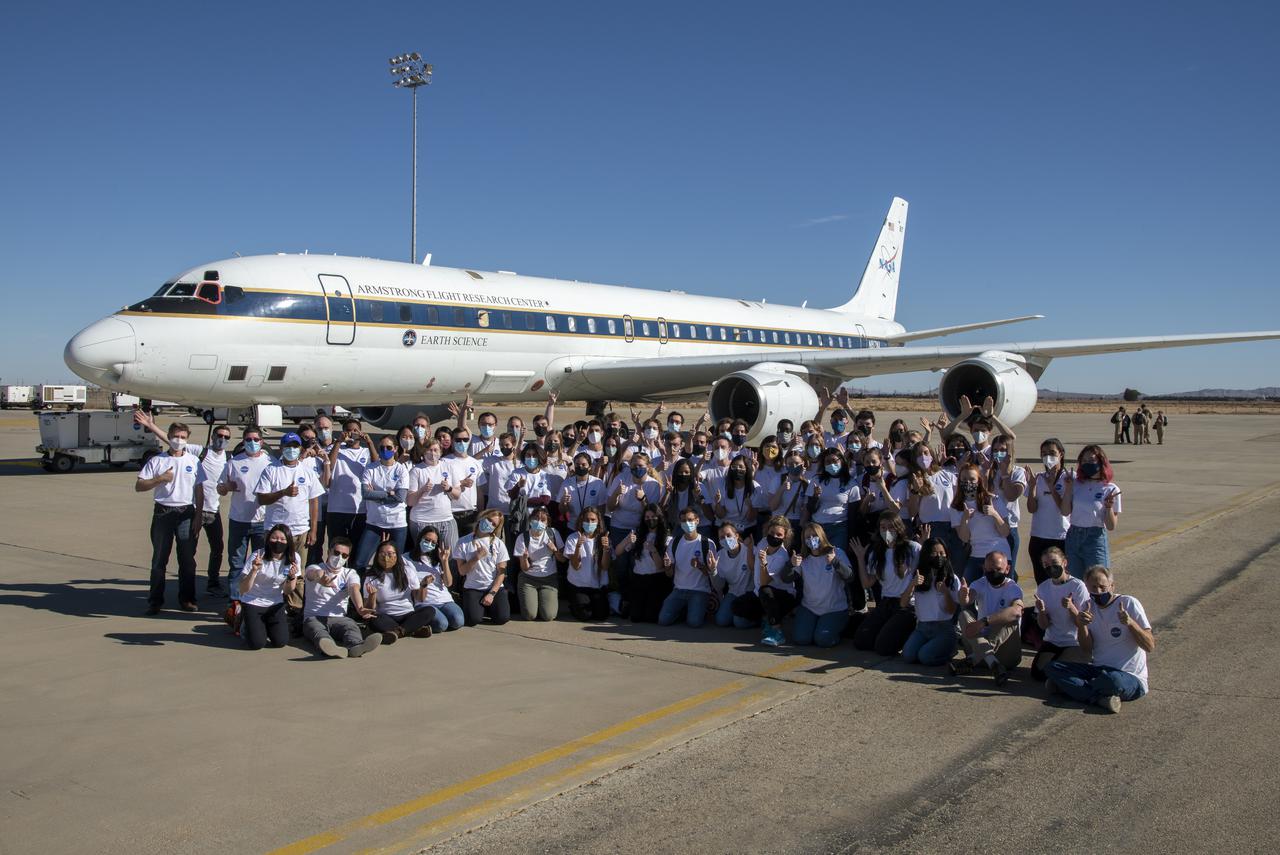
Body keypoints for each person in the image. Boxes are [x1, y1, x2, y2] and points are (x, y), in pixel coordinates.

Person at [1045, 565, 1155, 713]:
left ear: (1112, 586)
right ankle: (1100, 698)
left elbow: (1149, 645)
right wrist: (1082, 625)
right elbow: (1086, 650)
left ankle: (1073, 688)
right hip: (1099, 670)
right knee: (1052, 667)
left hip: (1128, 676)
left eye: (1103, 587)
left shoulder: (1129, 603)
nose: (1098, 592)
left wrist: (1131, 623)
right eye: (1093, 588)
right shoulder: (1088, 607)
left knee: (1113, 680)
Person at [135, 420, 201, 614]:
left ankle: (187, 599)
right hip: (164, 512)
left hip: (186, 513)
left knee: (187, 560)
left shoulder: (193, 461)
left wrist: (198, 516)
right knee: (159, 560)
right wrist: (160, 479)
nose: (178, 441)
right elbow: (139, 486)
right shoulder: (157, 461)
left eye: (182, 437)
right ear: (169, 437)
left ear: (187, 440)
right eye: (175, 437)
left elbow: (199, 489)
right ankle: (155, 601)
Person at [300, 537, 382, 658]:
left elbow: (354, 589)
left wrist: (360, 608)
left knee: (351, 627)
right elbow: (313, 574)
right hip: (314, 617)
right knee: (318, 631)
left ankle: (356, 646)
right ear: (329, 552)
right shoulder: (315, 567)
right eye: (336, 553)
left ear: (348, 557)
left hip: (339, 618)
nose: (339, 557)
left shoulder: (350, 573)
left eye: (344, 555)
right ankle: (330, 648)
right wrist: (321, 578)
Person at [951, 551, 1024, 685]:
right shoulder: (980, 583)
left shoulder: (1013, 588)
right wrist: (963, 596)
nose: (994, 572)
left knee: (1010, 619)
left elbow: (1017, 611)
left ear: (1007, 569)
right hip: (979, 644)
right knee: (964, 615)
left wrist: (984, 622)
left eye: (998, 569)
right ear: (984, 569)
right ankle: (993, 664)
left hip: (1005, 653)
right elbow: (967, 599)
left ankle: (974, 659)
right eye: (990, 570)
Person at [852, 512, 919, 655]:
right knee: (861, 641)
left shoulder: (912, 548)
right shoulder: (877, 553)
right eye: (883, 527)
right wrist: (860, 558)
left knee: (883, 648)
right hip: (886, 602)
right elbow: (867, 583)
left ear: (899, 528)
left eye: (891, 527)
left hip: (906, 605)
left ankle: (908, 635)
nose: (887, 531)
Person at [254, 432, 324, 560]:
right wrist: (283, 493)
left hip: (300, 530)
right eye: (288, 446)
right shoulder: (270, 470)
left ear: (301, 449)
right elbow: (261, 499)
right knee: (274, 569)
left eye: (295, 447)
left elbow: (314, 502)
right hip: (275, 531)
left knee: (297, 573)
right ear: (281, 448)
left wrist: (313, 530)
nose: (291, 450)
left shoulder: (307, 472)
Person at [1030, 546, 1090, 680]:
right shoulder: (1043, 587)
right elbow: (1043, 626)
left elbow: (1082, 623)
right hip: (1053, 640)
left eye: (1054, 564)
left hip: (1073, 642)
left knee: (1056, 671)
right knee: (1038, 674)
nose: (1051, 568)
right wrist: (1041, 611)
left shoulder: (1077, 586)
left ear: (1064, 562)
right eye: (1046, 565)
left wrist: (1071, 608)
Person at [1061, 445, 1121, 579]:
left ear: (1101, 462)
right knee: (1076, 581)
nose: (1087, 463)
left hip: (1095, 537)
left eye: (1091, 460)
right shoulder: (1076, 484)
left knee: (1098, 579)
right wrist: (1068, 489)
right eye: (1084, 461)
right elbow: (1065, 511)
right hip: (1074, 535)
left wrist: (1108, 507)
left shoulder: (1110, 489)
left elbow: (1111, 526)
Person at [238, 524, 302, 649]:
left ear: (288, 541)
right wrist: (254, 571)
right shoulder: (258, 556)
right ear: (268, 539)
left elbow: (287, 590)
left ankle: (263, 625)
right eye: (274, 538)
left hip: (275, 603)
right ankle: (244, 623)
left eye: (282, 539)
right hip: (253, 601)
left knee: (280, 642)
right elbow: (243, 589)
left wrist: (291, 577)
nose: (278, 541)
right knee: (257, 644)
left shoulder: (294, 558)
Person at [789, 523, 853, 647]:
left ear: (822, 536)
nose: (811, 539)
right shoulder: (803, 558)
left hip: (834, 608)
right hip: (810, 607)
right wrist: (791, 565)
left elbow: (850, 577)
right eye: (808, 537)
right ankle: (816, 625)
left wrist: (835, 562)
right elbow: (786, 578)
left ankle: (837, 627)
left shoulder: (837, 552)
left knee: (823, 640)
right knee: (801, 639)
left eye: (814, 535)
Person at [900, 538, 961, 667]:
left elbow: (951, 610)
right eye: (934, 553)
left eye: (942, 554)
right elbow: (903, 603)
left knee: (925, 657)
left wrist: (945, 592)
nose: (938, 557)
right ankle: (933, 648)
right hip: (922, 628)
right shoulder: (917, 576)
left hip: (943, 628)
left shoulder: (952, 578)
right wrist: (912, 584)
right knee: (908, 655)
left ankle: (949, 651)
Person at [354, 435, 410, 570]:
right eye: (382, 448)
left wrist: (376, 494)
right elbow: (365, 494)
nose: (385, 450)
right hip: (374, 523)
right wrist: (388, 493)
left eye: (389, 447)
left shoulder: (401, 470)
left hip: (397, 524)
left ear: (396, 449)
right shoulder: (371, 468)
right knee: (360, 562)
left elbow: (400, 497)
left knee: (395, 564)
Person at [363, 540, 435, 642]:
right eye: (382, 554)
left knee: (430, 610)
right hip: (386, 616)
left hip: (407, 614)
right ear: (377, 556)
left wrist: (423, 585)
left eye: (390, 554)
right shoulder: (371, 577)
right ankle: (412, 630)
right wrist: (372, 595)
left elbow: (420, 598)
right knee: (372, 619)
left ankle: (397, 632)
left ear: (397, 555)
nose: (386, 557)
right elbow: (368, 608)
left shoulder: (407, 571)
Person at [951, 463, 1011, 582]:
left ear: (979, 481)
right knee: (967, 590)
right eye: (964, 479)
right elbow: (964, 538)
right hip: (977, 554)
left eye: (972, 479)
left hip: (998, 554)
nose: (968, 482)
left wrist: (994, 514)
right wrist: (965, 519)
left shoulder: (993, 499)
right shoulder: (956, 506)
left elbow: (1005, 532)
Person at [190, 424, 231, 597]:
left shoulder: (228, 459)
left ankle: (213, 583)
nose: (222, 439)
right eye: (219, 435)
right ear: (212, 437)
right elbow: (173, 441)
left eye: (226, 437)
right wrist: (150, 425)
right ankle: (188, 585)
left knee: (217, 548)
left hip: (213, 511)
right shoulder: (201, 451)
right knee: (189, 550)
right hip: (194, 510)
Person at [658, 508, 718, 627]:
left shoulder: (707, 543)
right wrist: (667, 566)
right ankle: (685, 609)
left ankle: (694, 609)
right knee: (663, 620)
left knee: (694, 623)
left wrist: (700, 566)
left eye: (690, 520)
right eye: (684, 521)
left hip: (699, 591)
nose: (687, 523)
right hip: (678, 590)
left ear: (697, 521)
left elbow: (712, 574)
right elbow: (669, 574)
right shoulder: (674, 542)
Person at [453, 508, 512, 626]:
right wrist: (476, 558)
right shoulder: (463, 542)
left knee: (502, 618)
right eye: (488, 520)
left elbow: (501, 573)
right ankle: (476, 607)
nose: (489, 524)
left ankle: (488, 607)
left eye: (493, 524)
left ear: (496, 528)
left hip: (494, 588)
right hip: (473, 587)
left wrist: (492, 593)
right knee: (472, 620)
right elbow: (462, 571)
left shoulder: (498, 544)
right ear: (482, 517)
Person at [1024, 438, 1070, 583]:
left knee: (1062, 580)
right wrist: (1032, 487)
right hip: (1039, 536)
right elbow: (1032, 508)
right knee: (1042, 580)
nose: (1048, 457)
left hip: (1061, 537)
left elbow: (1065, 510)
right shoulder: (1038, 478)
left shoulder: (1069, 479)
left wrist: (1052, 487)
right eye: (1043, 453)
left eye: (1052, 453)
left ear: (1061, 454)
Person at [408, 526, 466, 633]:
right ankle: (419, 624)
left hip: (444, 600)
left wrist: (444, 562)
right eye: (427, 540)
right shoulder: (406, 559)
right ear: (420, 538)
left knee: (458, 621)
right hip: (425, 603)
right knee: (441, 625)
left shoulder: (436, 559)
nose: (429, 544)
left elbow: (448, 583)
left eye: (433, 542)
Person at [326, 420, 371, 555]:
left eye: (355, 430)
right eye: (349, 430)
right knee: (336, 550)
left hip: (359, 509)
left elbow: (376, 464)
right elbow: (330, 465)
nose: (352, 433)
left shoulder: (365, 452)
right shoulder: (336, 449)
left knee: (356, 550)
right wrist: (338, 442)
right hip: (336, 508)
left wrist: (369, 443)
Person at [624, 505, 674, 623]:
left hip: (656, 579)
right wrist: (628, 540)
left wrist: (653, 550)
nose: (650, 519)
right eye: (647, 517)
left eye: (653, 516)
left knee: (651, 618)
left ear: (659, 518)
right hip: (639, 578)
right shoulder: (638, 534)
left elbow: (660, 566)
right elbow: (618, 551)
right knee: (635, 618)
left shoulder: (667, 538)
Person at [513, 506, 565, 621]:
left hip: (549, 579)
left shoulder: (553, 533)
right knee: (530, 615)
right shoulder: (523, 537)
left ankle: (543, 602)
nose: (539, 522)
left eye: (543, 520)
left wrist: (555, 550)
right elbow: (524, 568)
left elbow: (563, 560)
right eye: (536, 518)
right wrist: (525, 558)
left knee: (548, 616)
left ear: (547, 523)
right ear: (531, 520)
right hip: (528, 579)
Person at [756, 515, 799, 646]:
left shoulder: (782, 555)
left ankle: (777, 631)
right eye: (772, 533)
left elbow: (764, 583)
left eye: (779, 534)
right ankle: (767, 618)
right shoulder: (762, 543)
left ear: (785, 536)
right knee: (738, 611)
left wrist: (764, 564)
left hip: (781, 596)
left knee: (765, 591)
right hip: (760, 593)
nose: (774, 536)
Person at [406, 438, 455, 547]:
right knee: (424, 555)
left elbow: (457, 494)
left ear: (441, 452)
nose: (432, 453)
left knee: (450, 555)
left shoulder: (447, 467)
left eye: (435, 450)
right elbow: (410, 502)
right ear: (424, 452)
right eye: (429, 450)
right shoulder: (416, 471)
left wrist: (449, 488)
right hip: (422, 520)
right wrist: (422, 490)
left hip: (445, 518)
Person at [564, 508, 612, 620]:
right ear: (581, 521)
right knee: (585, 615)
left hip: (596, 586)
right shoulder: (573, 538)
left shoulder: (603, 539)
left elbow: (605, 567)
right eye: (586, 520)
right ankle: (574, 604)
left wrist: (606, 549)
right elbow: (576, 566)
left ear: (598, 522)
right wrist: (578, 547)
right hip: (578, 585)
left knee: (601, 615)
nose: (589, 523)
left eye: (593, 520)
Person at [713, 522, 757, 629]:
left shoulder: (750, 549)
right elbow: (719, 586)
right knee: (721, 621)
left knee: (739, 623)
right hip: (733, 593)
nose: (726, 539)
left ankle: (758, 618)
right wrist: (712, 570)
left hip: (750, 593)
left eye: (729, 535)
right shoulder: (719, 556)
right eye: (722, 537)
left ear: (736, 536)